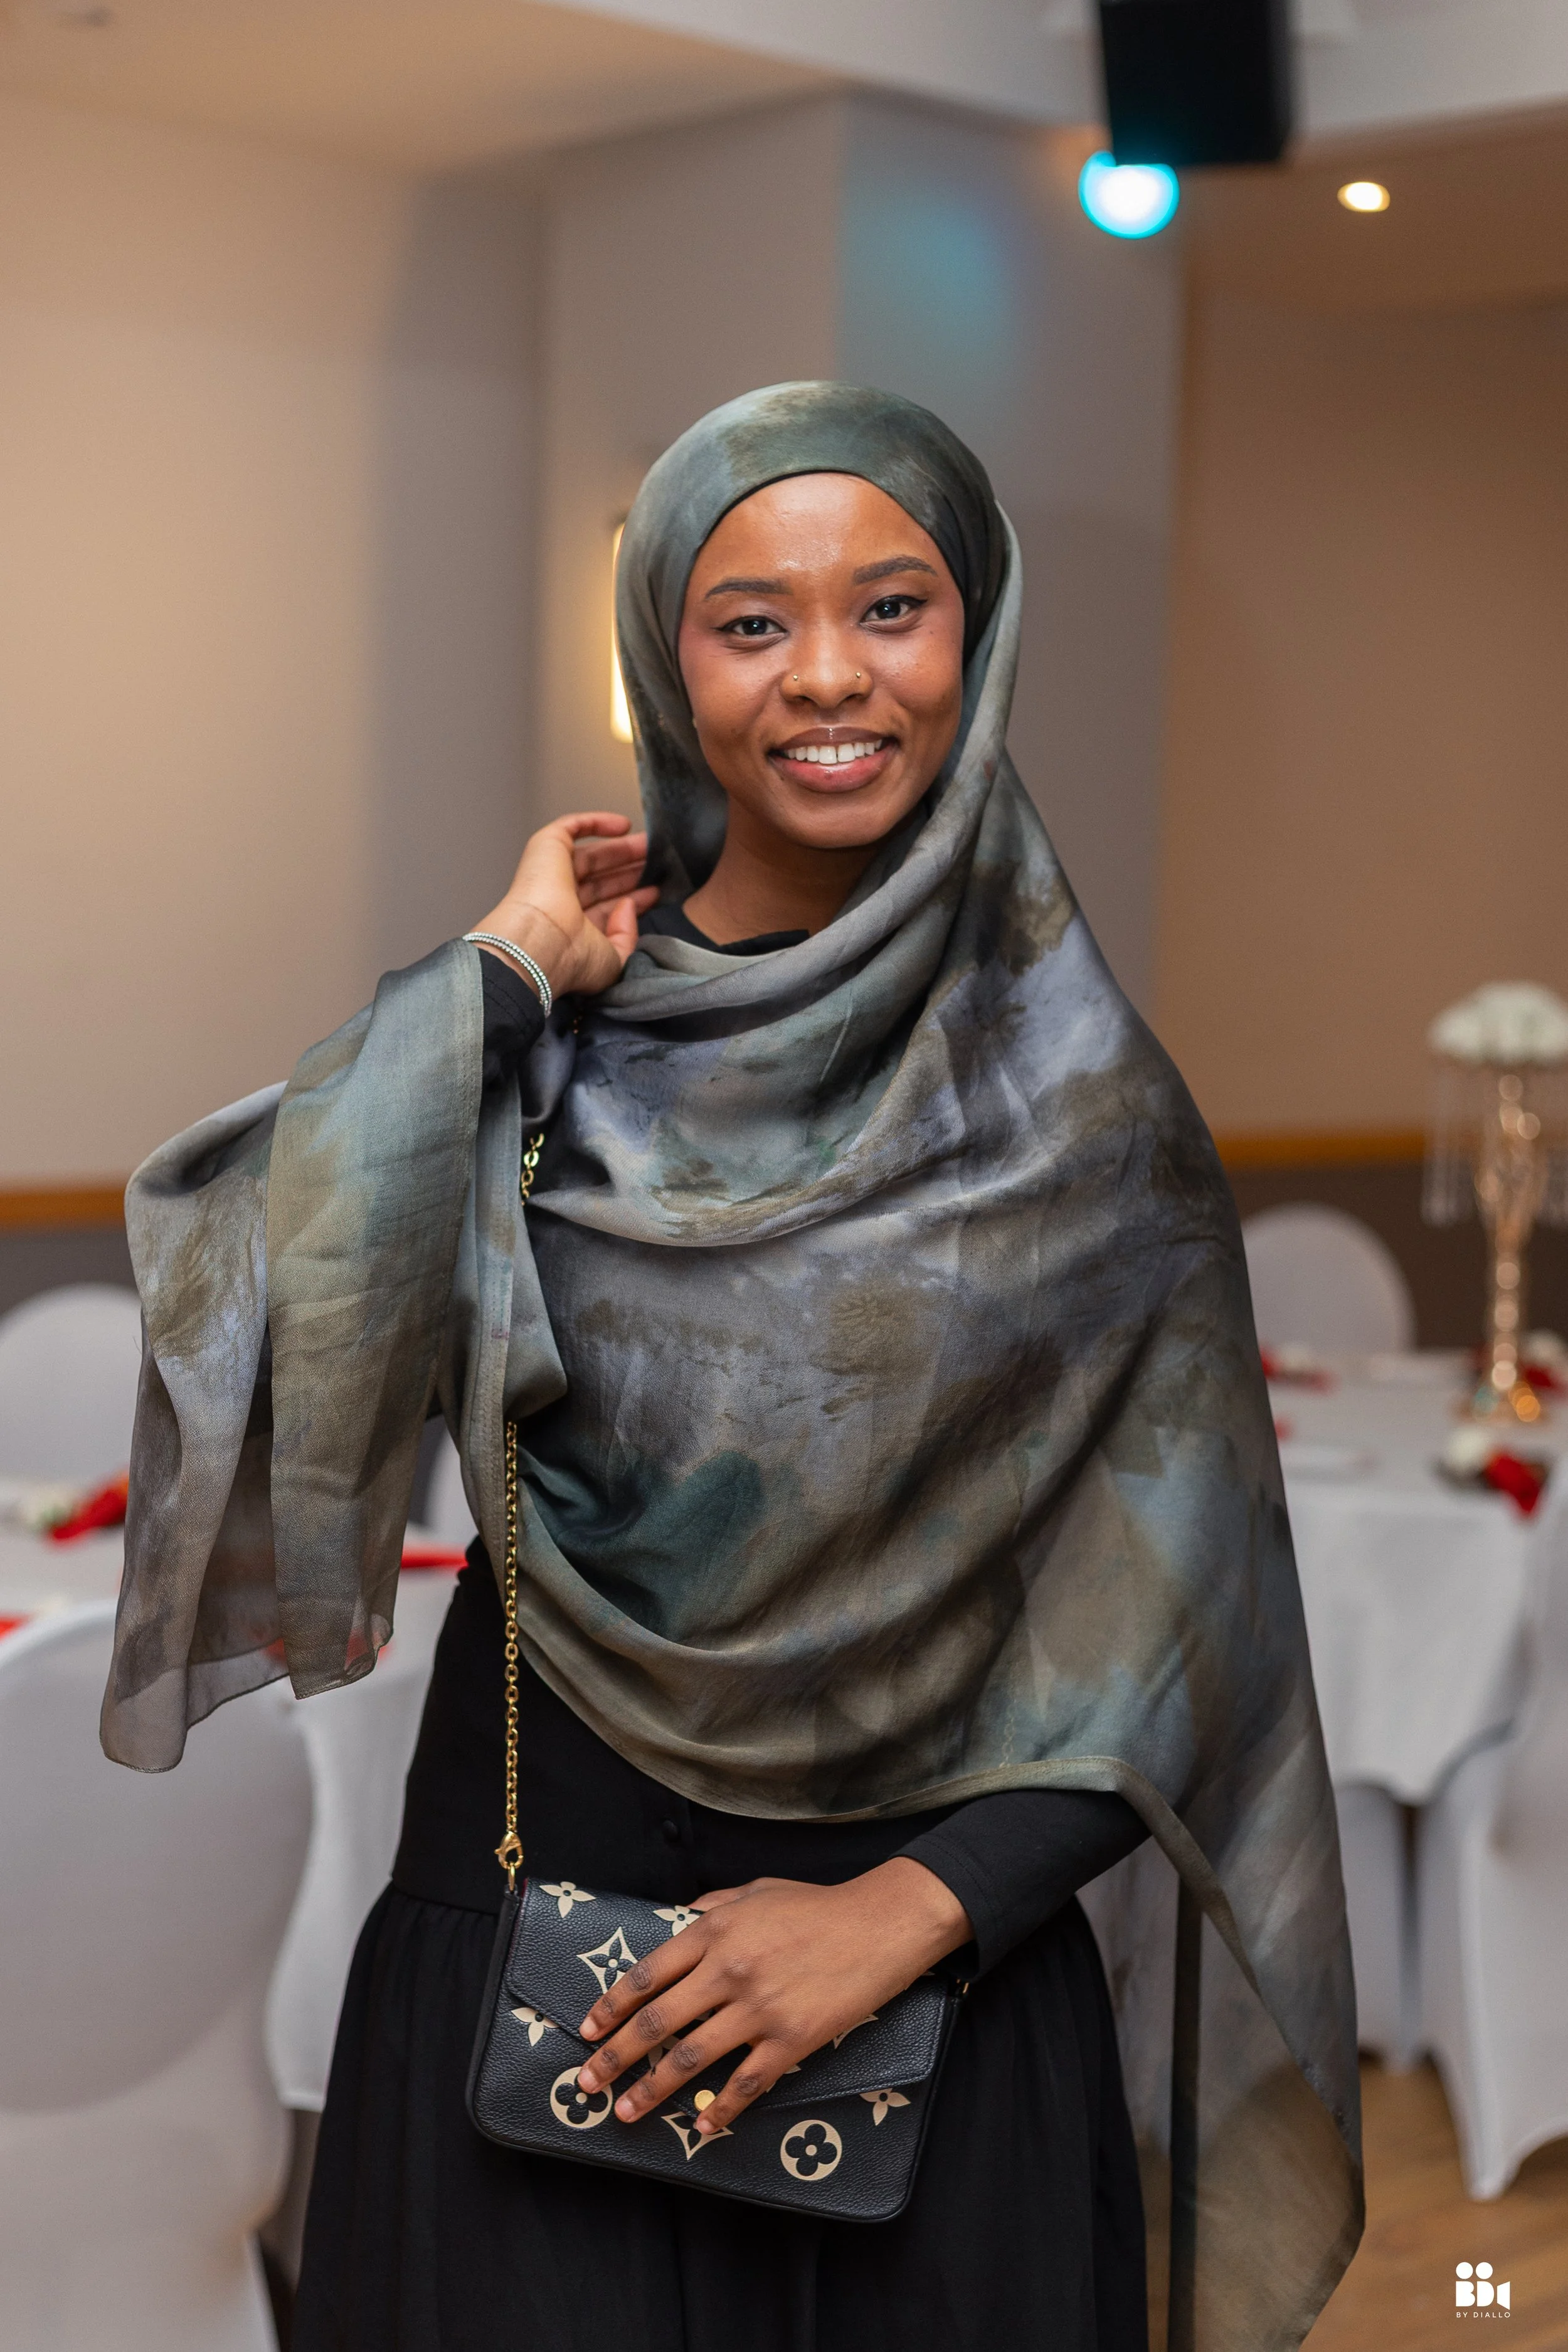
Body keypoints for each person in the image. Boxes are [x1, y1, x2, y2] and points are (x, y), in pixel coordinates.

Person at [103, 383, 1362, 2352]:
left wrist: (898, 1915)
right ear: (660, 664)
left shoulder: (1085, 1108)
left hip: (935, 2019)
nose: (828, 676)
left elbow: (1182, 1641)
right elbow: (240, 1314)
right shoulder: (535, 1051)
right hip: (535, 1981)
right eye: (749, 620)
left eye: (892, 605)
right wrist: (500, 971)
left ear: (979, 634)